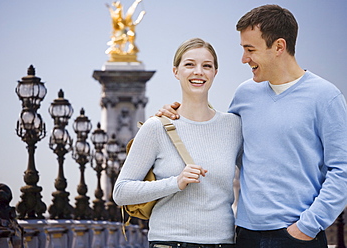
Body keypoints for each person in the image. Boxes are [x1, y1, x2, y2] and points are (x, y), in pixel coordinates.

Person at [157, 5, 347, 248]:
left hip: (298, 236)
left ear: (279, 47)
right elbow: (221, 137)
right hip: (245, 234)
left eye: (250, 50)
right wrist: (177, 114)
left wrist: (308, 226)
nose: (244, 59)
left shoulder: (326, 97)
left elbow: (341, 170)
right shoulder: (245, 93)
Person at [113, 38, 242, 247]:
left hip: (222, 242)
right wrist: (176, 182)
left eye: (206, 66)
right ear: (176, 72)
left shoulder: (234, 126)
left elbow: (259, 176)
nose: (198, 71)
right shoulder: (155, 128)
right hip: (170, 242)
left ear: (215, 73)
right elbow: (121, 192)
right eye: (189, 64)